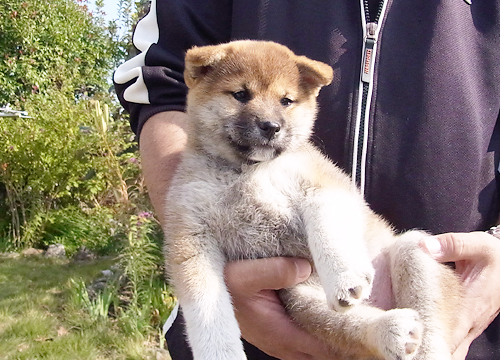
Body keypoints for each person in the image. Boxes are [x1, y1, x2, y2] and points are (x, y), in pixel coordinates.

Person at [114, 0, 500, 359]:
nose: (268, 118)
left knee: (415, 254)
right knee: (306, 302)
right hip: (273, 322)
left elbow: (325, 198)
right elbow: (158, 81)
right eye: (241, 95)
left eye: (285, 102)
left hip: (461, 315)